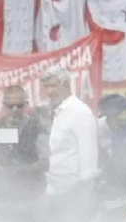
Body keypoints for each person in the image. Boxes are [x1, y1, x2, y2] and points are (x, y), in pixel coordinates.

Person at [0, 86, 47, 203]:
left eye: (19, 105)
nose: (15, 109)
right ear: (4, 106)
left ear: (25, 104)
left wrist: (25, 169)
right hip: (0, 190)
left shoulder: (36, 127)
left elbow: (47, 160)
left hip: (31, 190)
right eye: (10, 106)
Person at [41, 67, 98, 199]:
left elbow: (88, 156)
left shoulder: (80, 112)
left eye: (53, 86)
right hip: (52, 190)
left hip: (72, 192)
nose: (49, 92)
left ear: (66, 84)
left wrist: (83, 193)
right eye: (47, 87)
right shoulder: (55, 111)